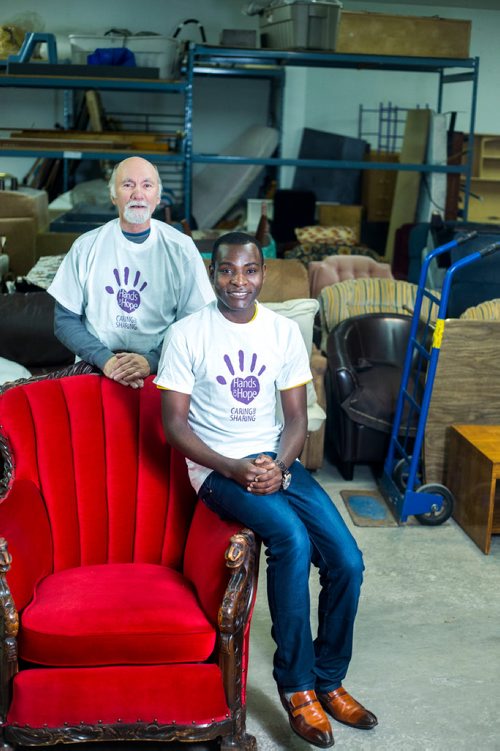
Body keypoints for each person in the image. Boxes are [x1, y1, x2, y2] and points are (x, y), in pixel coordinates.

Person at [154, 231, 377, 749]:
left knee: (347, 560)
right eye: (227, 271)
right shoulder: (188, 334)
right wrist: (234, 468)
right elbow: (175, 428)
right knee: (291, 541)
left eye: (249, 271)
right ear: (213, 274)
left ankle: (330, 678)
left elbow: (296, 419)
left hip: (273, 461)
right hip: (215, 470)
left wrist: (278, 464)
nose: (239, 281)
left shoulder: (281, 332)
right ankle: (297, 688)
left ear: (263, 273)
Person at [48, 156, 214, 389]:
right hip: (96, 367)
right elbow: (64, 321)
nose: (138, 193)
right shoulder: (85, 247)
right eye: (128, 185)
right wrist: (105, 360)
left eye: (147, 185)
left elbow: (197, 323)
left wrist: (152, 361)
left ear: (157, 197)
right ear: (113, 195)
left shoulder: (182, 249)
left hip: (162, 368)